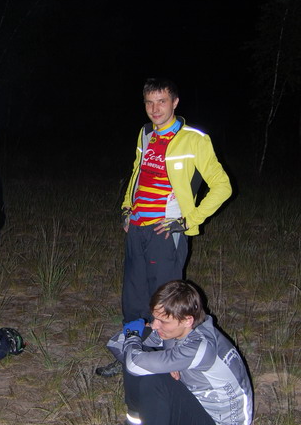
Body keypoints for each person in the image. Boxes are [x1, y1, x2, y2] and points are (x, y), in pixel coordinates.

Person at [96, 78, 232, 377]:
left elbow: (223, 186)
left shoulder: (194, 139)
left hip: (165, 232)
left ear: (175, 102)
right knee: (134, 298)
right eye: (149, 102)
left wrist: (188, 220)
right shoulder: (145, 133)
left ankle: (172, 365)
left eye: (161, 101)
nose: (155, 109)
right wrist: (127, 207)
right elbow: (137, 172)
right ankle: (131, 354)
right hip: (137, 228)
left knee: (167, 300)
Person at [95, 280, 253, 425]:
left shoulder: (201, 346)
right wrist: (135, 339)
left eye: (163, 321)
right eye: (154, 317)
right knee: (141, 357)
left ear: (187, 319)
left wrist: (132, 336)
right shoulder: (183, 329)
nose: (155, 325)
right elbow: (117, 345)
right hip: (198, 407)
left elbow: (133, 360)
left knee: (151, 376)